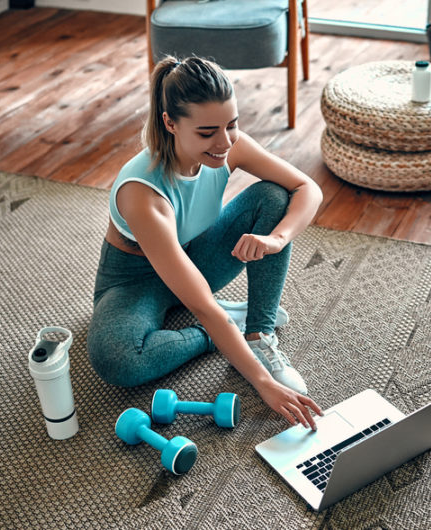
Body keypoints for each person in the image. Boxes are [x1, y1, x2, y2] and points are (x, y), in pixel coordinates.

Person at [88, 56, 323, 429]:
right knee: (118, 359)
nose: (224, 142)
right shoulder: (142, 193)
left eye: (232, 125)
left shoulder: (229, 146)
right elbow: (201, 304)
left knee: (273, 198)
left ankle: (258, 331)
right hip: (133, 279)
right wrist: (263, 385)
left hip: (194, 254)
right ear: (170, 123)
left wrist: (277, 239)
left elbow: (306, 188)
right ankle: (223, 331)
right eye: (207, 132)